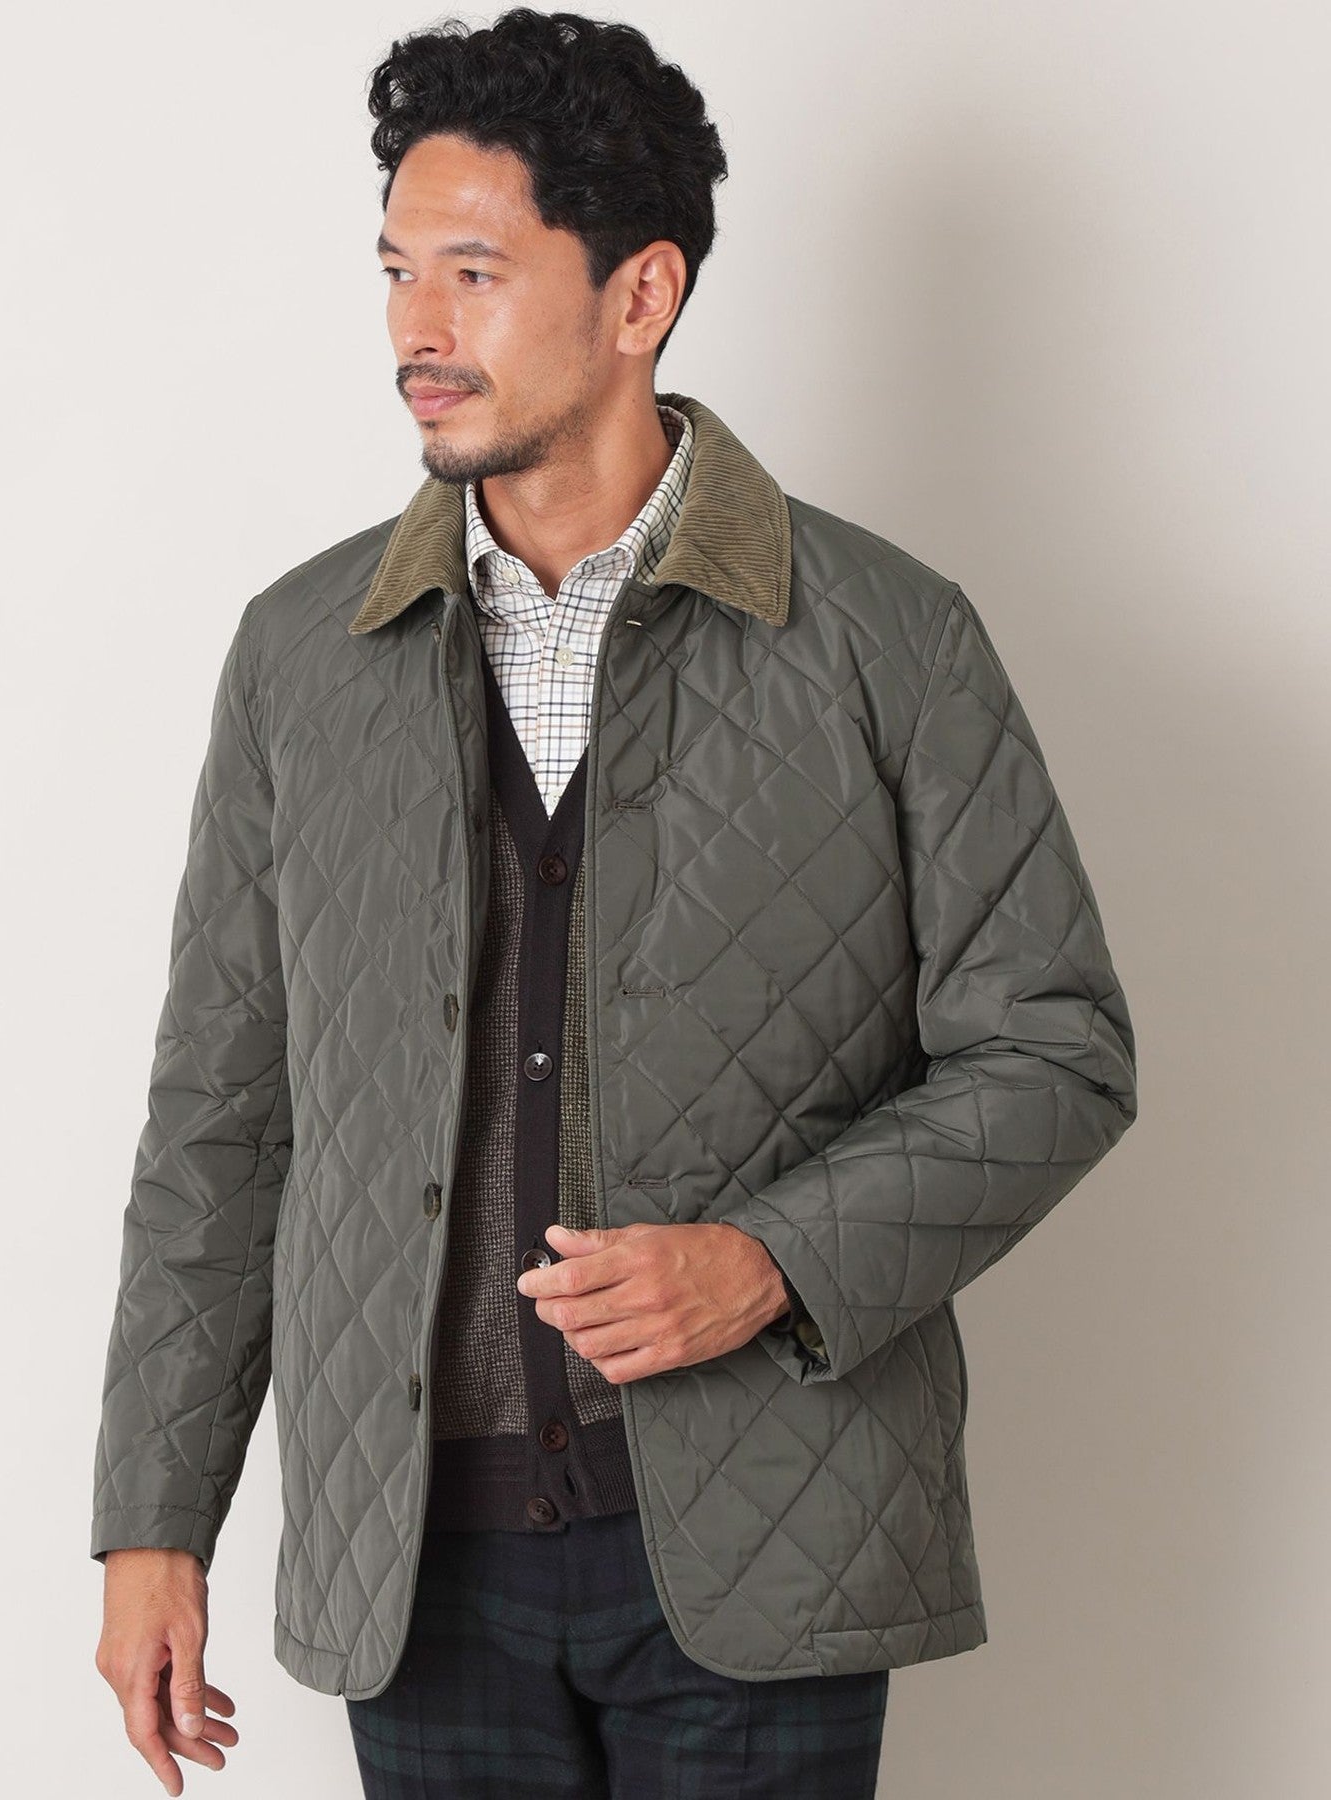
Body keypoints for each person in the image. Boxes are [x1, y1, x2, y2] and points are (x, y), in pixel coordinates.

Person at [91, 10, 1139, 1797]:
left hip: (770, 1536)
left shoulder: (886, 637)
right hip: (418, 1566)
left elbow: (1057, 1048)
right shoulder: (302, 658)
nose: (418, 330)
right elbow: (222, 1117)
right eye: (398, 271)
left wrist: (776, 1261)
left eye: (477, 272)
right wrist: (153, 1519)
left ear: (641, 293)